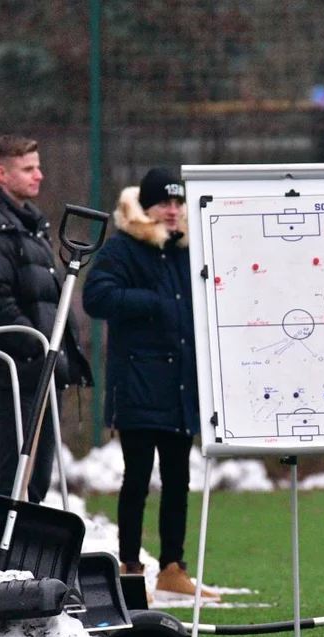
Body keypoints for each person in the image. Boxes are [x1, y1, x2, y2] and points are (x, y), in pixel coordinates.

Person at [82, 167, 217, 599]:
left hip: (179, 387)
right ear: (147, 207)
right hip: (137, 386)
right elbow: (96, 297)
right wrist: (153, 303)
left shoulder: (187, 251)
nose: (173, 211)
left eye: (178, 203)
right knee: (137, 479)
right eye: (165, 203)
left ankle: (174, 568)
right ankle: (130, 568)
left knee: (178, 479)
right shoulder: (122, 248)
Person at [0, 135, 93, 504]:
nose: (40, 176)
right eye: (28, 168)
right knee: (16, 477)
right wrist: (37, 345)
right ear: (1, 173)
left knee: (34, 481)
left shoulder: (30, 227)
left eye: (38, 166)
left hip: (43, 370)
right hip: (22, 371)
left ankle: (21, 554)